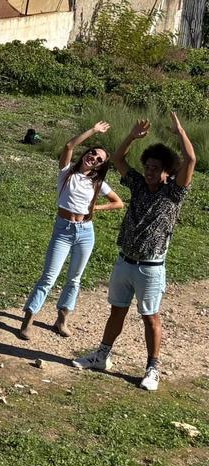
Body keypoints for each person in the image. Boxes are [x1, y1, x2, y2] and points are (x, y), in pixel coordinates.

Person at [74, 114, 195, 392]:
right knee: (116, 311)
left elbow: (190, 161)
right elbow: (117, 159)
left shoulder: (173, 194)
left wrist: (181, 132)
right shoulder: (139, 185)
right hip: (125, 261)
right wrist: (131, 136)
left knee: (150, 317)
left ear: (167, 172)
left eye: (156, 168)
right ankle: (102, 355)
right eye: (148, 167)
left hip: (151, 267)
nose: (150, 172)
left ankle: (153, 368)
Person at [19, 122, 124, 340]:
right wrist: (93, 131)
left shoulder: (97, 182)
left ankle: (62, 320)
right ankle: (28, 320)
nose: (93, 158)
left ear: (100, 166)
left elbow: (118, 202)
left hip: (85, 232)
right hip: (63, 230)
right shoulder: (66, 172)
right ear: (86, 153)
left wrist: (95, 208)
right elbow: (69, 146)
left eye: (99, 160)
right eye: (92, 153)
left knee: (75, 278)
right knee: (49, 277)